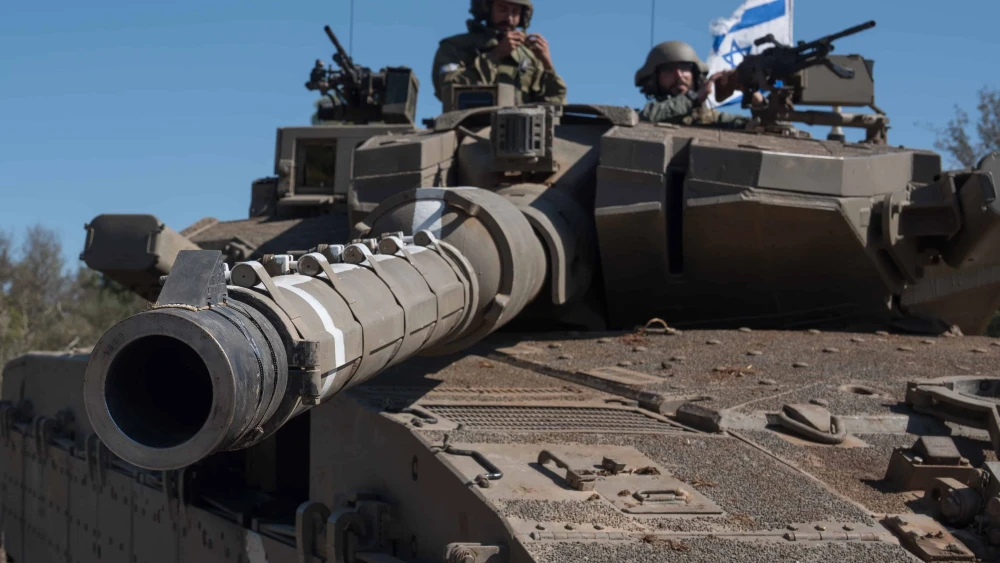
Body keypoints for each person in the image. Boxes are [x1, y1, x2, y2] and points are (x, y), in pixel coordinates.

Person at [432, 0, 567, 107]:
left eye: (515, 11)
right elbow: (446, 90)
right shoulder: (458, 46)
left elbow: (555, 105)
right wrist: (494, 56)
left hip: (524, 135)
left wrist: (547, 65)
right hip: (470, 130)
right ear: (486, 9)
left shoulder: (530, 56)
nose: (509, 18)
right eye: (502, 9)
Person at [634, 41, 762, 128]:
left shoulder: (713, 120)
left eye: (684, 68)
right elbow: (644, 117)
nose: (679, 75)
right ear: (655, 79)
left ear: (695, 74)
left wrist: (753, 95)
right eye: (668, 70)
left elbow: (761, 127)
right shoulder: (647, 115)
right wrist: (694, 97)